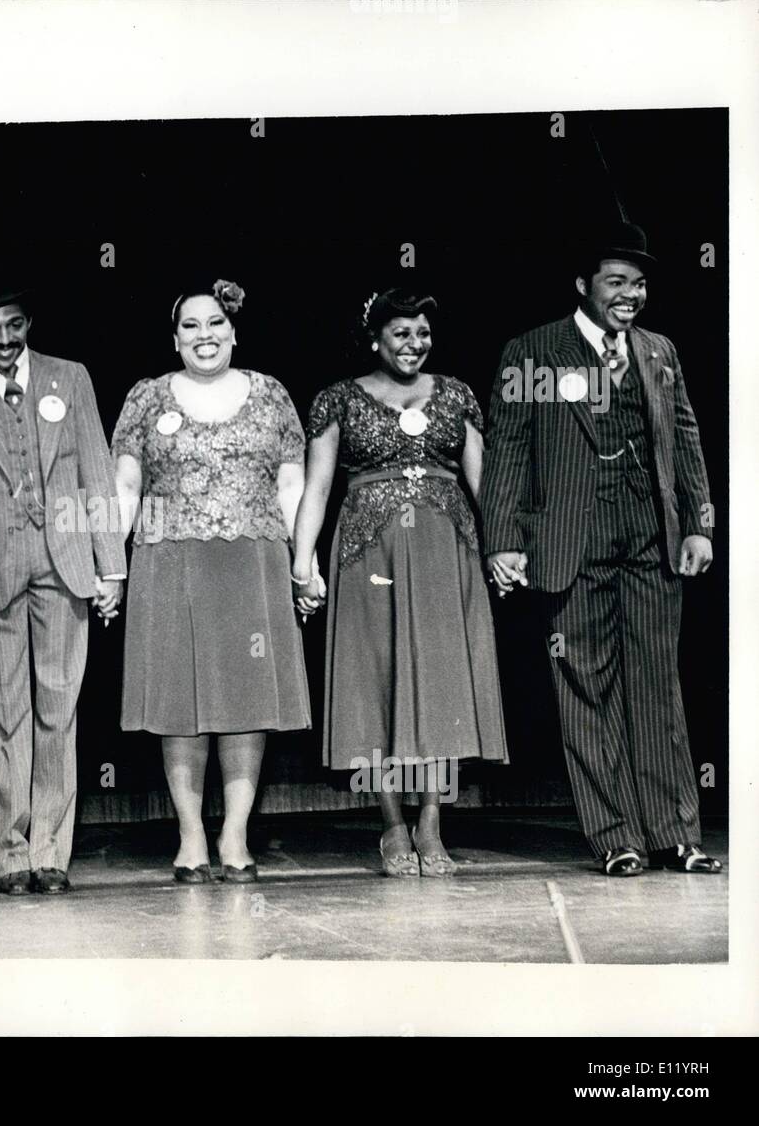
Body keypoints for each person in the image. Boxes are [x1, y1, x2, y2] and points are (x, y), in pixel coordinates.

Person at [480, 221, 721, 877]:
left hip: (650, 537)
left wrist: (699, 523)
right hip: (571, 543)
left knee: (657, 686)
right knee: (586, 689)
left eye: (639, 284)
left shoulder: (659, 349)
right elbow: (508, 448)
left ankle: (676, 833)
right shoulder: (533, 351)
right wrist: (503, 540)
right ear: (583, 285)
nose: (631, 295)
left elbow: (687, 436)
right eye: (618, 282)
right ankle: (616, 834)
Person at [292, 288, 508, 877]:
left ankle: (432, 821)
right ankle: (391, 822)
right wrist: (301, 559)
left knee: (441, 680)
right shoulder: (338, 398)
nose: (415, 345)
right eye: (401, 334)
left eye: (423, 334)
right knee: (373, 678)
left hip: (445, 550)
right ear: (374, 340)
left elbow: (483, 480)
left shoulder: (456, 393)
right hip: (369, 551)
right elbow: (316, 487)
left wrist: (503, 548)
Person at [0, 284, 126, 895]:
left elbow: (97, 471)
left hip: (66, 562)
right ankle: (12, 853)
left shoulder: (72, 377)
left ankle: (51, 853)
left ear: (29, 322)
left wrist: (110, 566)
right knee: (6, 711)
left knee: (58, 711)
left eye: (14, 325)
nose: (5, 340)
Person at [112, 279, 311, 884]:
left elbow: (292, 487)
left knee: (247, 698)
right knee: (180, 701)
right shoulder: (146, 398)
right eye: (192, 325)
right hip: (167, 562)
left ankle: (235, 832)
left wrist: (306, 562)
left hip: (252, 561)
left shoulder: (271, 393)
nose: (205, 335)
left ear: (234, 331)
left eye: (216, 323)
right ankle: (192, 832)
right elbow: (124, 487)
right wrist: (109, 563)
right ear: (175, 340)